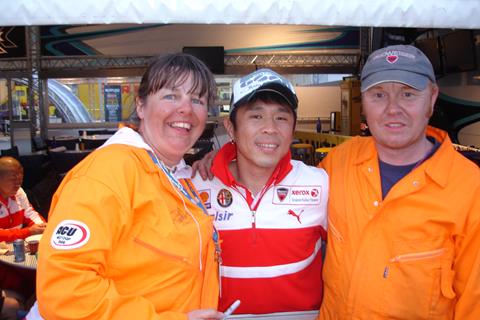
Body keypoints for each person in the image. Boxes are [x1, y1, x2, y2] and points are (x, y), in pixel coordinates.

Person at [36, 53, 224, 320]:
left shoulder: (176, 174)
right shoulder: (107, 173)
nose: (186, 109)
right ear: (141, 105)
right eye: (171, 96)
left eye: (197, 100)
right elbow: (66, 292)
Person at [318, 45, 480, 319]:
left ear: (432, 98)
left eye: (408, 94)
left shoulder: (470, 189)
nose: (393, 109)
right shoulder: (338, 164)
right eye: (379, 95)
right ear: (364, 102)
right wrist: (226, 165)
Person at [191, 69, 328, 314]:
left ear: (293, 129)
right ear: (230, 128)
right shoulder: (194, 186)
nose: (270, 128)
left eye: (281, 118)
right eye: (256, 116)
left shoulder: (320, 184)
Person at [0, 156, 46, 242]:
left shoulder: (19, 192)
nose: (18, 184)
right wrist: (28, 232)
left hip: (15, 244)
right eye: (13, 179)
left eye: (20, 179)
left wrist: (42, 226)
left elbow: (30, 214)